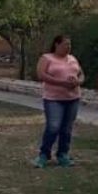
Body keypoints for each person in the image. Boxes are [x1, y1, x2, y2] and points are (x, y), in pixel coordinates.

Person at [34, 35, 85, 168]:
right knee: (53, 126)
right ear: (56, 44)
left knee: (67, 128)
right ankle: (44, 154)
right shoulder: (47, 58)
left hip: (72, 98)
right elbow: (41, 75)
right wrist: (61, 83)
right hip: (53, 98)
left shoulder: (73, 59)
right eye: (65, 44)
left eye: (69, 44)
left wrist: (78, 82)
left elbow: (81, 74)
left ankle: (63, 154)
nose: (68, 47)